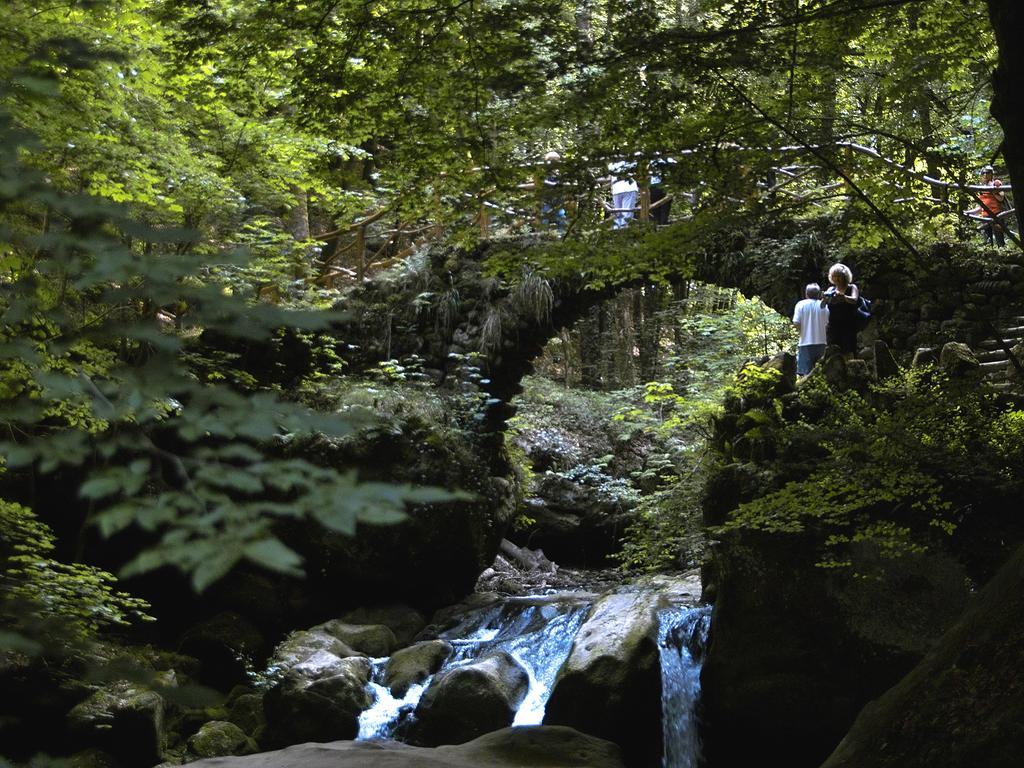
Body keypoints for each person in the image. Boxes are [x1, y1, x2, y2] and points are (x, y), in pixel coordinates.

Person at [820, 263, 860, 358]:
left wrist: (843, 297)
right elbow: (823, 305)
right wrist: (825, 299)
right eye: (834, 276)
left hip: (848, 324)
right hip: (833, 325)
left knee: (848, 350)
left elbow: (854, 300)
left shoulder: (852, 287)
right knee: (832, 349)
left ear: (845, 276)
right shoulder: (831, 289)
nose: (837, 279)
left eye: (839, 276)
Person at [792, 283, 829, 375]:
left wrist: (802, 332)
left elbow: (796, 322)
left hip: (806, 343)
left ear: (806, 294)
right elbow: (827, 325)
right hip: (822, 343)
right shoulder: (824, 306)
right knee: (820, 373)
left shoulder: (801, 304)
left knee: (805, 374)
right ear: (819, 294)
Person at [967, 165, 1007, 247]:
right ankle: (990, 257)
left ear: (991, 174)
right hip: (985, 217)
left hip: (997, 215)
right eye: (983, 173)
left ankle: (1004, 256)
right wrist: (968, 212)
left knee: (1000, 239)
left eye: (987, 172)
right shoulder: (981, 188)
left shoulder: (996, 183)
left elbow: (1001, 198)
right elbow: (980, 207)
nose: (985, 175)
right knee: (987, 242)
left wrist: (991, 189)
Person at [608, 159, 638, 229]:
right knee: (627, 214)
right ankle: (623, 233)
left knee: (618, 214)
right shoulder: (631, 161)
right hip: (629, 189)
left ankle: (617, 232)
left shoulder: (611, 164)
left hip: (617, 190)